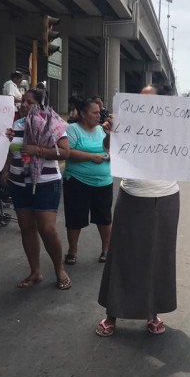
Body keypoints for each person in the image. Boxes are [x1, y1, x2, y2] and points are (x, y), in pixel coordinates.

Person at [98, 84, 190, 336]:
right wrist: (110, 132)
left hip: (167, 198)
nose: (145, 103)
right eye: (141, 99)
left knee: (158, 258)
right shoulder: (126, 122)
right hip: (132, 195)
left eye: (151, 99)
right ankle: (112, 314)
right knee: (122, 255)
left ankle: (152, 313)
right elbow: (110, 147)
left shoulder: (178, 126)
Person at [2, 88, 71, 290]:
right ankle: (35, 272)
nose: (23, 105)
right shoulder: (15, 125)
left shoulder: (54, 124)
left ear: (40, 104)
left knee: (47, 229)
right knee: (26, 227)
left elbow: (65, 152)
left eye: (29, 102)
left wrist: (38, 150)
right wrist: (6, 169)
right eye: (22, 101)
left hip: (46, 183)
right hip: (18, 183)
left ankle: (59, 269)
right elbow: (10, 152)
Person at [63, 98, 113, 265]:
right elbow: (67, 152)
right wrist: (93, 157)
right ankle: (72, 251)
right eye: (95, 112)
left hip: (104, 182)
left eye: (100, 112)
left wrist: (111, 138)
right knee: (75, 218)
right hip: (77, 181)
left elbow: (115, 150)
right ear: (83, 114)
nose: (99, 116)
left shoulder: (102, 131)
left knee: (104, 218)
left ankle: (106, 250)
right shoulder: (72, 129)